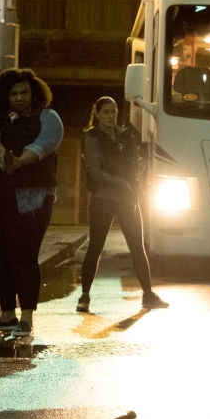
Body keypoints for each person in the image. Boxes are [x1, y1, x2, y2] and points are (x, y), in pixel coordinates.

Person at [0, 68, 64, 337]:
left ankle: (26, 316)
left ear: (34, 92)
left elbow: (45, 144)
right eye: (13, 93)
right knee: (0, 255)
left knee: (24, 255)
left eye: (24, 92)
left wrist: (19, 161)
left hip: (33, 199)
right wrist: (1, 153)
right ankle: (6, 315)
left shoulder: (49, 117)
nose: (19, 97)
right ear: (5, 96)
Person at [77, 96, 168, 313]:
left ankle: (148, 294)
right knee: (95, 248)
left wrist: (139, 166)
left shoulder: (125, 135)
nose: (110, 116)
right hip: (103, 199)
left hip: (128, 199)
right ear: (97, 114)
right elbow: (96, 173)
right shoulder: (93, 139)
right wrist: (123, 182)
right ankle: (85, 296)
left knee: (138, 247)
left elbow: (135, 158)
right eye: (106, 112)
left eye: (113, 111)